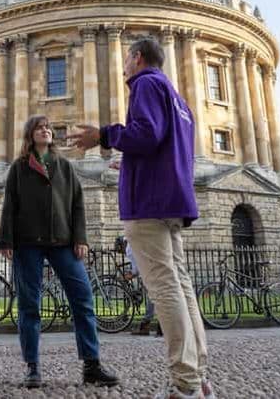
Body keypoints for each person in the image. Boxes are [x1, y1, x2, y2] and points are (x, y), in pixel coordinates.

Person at [69, 38, 213, 399]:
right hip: (172, 199)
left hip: (148, 203)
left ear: (137, 57)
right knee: (181, 286)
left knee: (164, 288)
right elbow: (163, 147)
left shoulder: (146, 84)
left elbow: (147, 134)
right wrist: (130, 163)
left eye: (125, 60)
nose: (123, 68)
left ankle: (186, 383)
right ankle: (199, 376)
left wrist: (104, 135)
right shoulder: (178, 99)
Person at [0, 115, 119, 389]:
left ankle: (91, 364)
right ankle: (32, 367)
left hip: (63, 241)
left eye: (48, 127)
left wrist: (81, 238)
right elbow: (9, 205)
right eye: (40, 127)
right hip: (27, 242)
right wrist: (5, 241)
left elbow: (77, 203)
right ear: (30, 134)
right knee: (29, 305)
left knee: (83, 299)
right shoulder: (18, 167)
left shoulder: (64, 165)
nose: (46, 130)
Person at [123, 238, 162, 337]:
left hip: (150, 273)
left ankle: (149, 325)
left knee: (153, 298)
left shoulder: (130, 248)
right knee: (157, 297)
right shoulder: (139, 242)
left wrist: (131, 274)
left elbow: (137, 266)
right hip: (155, 269)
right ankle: (157, 325)